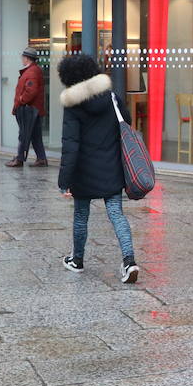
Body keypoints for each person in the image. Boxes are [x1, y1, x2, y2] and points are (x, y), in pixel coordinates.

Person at [56, 53, 139, 284]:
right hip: (112, 166)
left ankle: (77, 260)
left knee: (81, 216)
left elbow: (70, 145)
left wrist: (64, 180)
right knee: (116, 214)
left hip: (83, 171)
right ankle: (129, 261)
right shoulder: (111, 97)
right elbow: (128, 120)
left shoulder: (73, 106)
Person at [7, 49, 48, 167]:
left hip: (30, 110)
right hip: (33, 110)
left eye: (23, 57)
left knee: (24, 134)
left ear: (27, 58)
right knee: (35, 136)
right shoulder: (33, 70)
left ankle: (19, 159)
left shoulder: (32, 72)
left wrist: (21, 100)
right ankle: (41, 159)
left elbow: (31, 91)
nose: (22, 59)